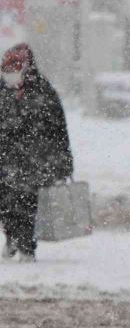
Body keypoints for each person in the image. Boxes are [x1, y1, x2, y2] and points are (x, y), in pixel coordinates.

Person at [0, 43, 73, 263]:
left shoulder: (43, 91)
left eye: (14, 67)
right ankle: (12, 237)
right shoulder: (2, 91)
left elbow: (59, 129)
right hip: (5, 160)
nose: (9, 73)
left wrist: (65, 161)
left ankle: (27, 247)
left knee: (26, 204)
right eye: (6, 68)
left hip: (35, 161)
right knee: (5, 204)